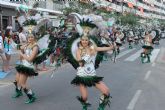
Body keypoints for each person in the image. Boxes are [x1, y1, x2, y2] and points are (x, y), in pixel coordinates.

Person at [71, 33, 114, 110]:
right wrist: (90, 54)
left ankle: (101, 107)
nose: (84, 41)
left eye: (86, 40)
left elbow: (104, 48)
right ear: (80, 40)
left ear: (88, 40)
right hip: (82, 76)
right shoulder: (78, 51)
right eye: (83, 40)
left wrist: (111, 46)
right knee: (84, 97)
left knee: (106, 91)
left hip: (92, 75)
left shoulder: (93, 47)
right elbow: (81, 63)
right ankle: (84, 106)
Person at [12, 33, 39, 104]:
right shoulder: (27, 45)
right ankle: (19, 92)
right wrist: (21, 50)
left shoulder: (35, 47)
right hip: (23, 64)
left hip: (28, 66)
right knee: (16, 81)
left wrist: (22, 54)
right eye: (29, 37)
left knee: (22, 83)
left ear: (34, 38)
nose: (30, 38)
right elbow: (21, 57)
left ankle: (31, 96)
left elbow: (30, 59)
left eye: (32, 37)